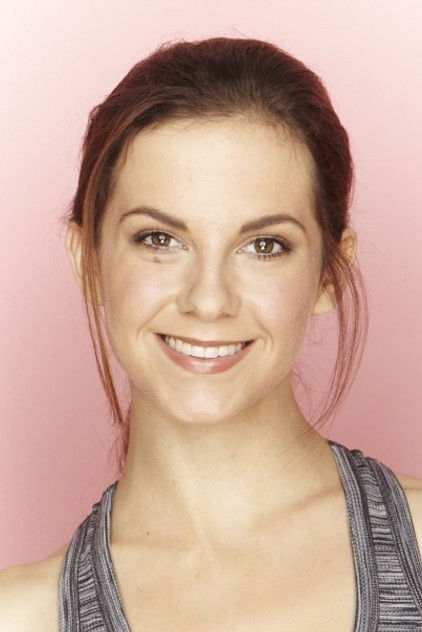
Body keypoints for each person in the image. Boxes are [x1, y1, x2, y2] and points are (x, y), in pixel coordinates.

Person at [1, 36, 421, 631]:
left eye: (264, 245)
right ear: (88, 261)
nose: (207, 300)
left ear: (330, 275)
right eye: (159, 239)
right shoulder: (22, 616)